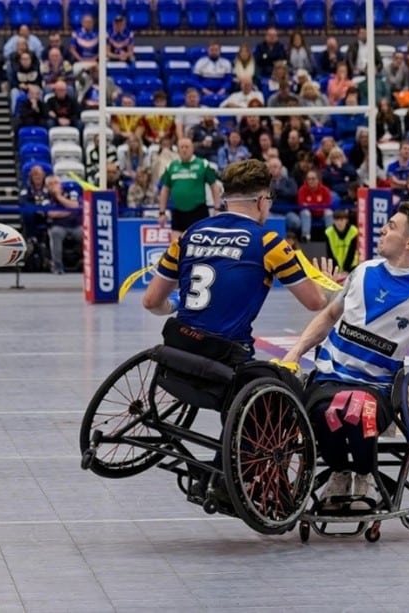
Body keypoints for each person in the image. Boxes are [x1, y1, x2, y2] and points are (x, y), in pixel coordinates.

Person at [142, 159, 329, 503]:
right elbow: (315, 303)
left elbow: (151, 301)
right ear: (262, 201)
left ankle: (220, 472)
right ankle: (228, 480)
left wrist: (176, 308)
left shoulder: (189, 235)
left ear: (225, 198)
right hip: (223, 361)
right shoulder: (269, 241)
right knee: (285, 385)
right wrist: (330, 280)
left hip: (176, 356)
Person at [282, 202, 409, 511]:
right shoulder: (363, 271)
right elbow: (328, 316)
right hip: (328, 378)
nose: (382, 229)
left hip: (375, 390)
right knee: (325, 411)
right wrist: (295, 352)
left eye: (391, 226)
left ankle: (364, 476)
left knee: (357, 410)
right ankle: (339, 473)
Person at [157, 138, 221, 241]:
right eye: (181, 147)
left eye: (187, 147)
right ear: (177, 150)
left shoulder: (203, 164)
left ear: (192, 149)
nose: (184, 150)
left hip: (198, 212)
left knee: (200, 246)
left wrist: (217, 208)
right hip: (178, 212)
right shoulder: (171, 166)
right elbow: (165, 190)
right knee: (176, 248)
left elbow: (214, 186)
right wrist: (162, 212)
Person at [325, 209, 359, 273]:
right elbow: (330, 254)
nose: (339, 223)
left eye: (342, 220)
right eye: (336, 220)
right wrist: (336, 269)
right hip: (336, 268)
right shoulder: (329, 232)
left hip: (352, 266)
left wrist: (346, 270)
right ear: (333, 221)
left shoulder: (354, 231)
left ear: (346, 220)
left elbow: (351, 252)